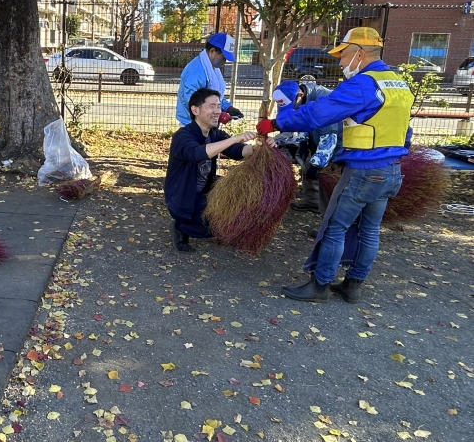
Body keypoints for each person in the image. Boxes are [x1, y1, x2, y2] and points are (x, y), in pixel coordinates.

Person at [257, 27, 413, 304]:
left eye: (343, 55)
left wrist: (277, 123)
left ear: (359, 53)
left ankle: (320, 286)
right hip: (391, 170)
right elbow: (406, 131)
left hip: (364, 170)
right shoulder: (397, 83)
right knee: (369, 229)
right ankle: (353, 285)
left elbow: (319, 114)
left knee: (334, 227)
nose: (340, 62)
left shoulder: (363, 85)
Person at [165, 87, 266, 252]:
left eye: (219, 106)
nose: (217, 111)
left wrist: (258, 148)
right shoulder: (183, 136)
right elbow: (197, 153)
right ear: (195, 110)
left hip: (205, 193)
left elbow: (238, 151)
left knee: (238, 209)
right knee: (221, 227)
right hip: (183, 198)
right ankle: (180, 227)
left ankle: (208, 224)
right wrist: (234, 138)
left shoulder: (215, 134)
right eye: (212, 106)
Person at [282, 76, 342, 216]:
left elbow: (329, 138)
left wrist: (317, 165)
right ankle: (313, 202)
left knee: (328, 180)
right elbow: (305, 121)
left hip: (336, 145)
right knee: (309, 166)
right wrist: (303, 141)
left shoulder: (324, 102)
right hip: (317, 137)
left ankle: (329, 226)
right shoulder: (304, 99)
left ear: (299, 95)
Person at [176, 33, 243, 127]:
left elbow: (214, 95)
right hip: (192, 125)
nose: (224, 61)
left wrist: (228, 108)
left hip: (205, 124)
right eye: (223, 57)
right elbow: (192, 100)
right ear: (212, 51)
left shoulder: (211, 68)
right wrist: (217, 114)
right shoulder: (196, 71)